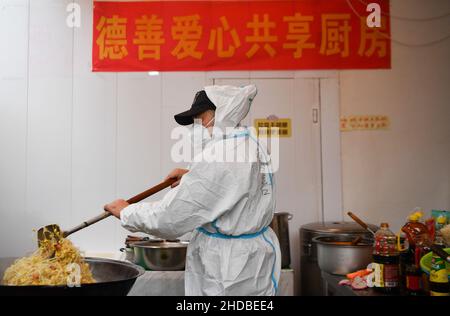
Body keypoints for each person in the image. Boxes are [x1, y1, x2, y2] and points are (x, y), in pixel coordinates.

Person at [105, 85, 281, 296]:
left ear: (223, 111)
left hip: (228, 268)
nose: (199, 125)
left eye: (201, 117)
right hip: (252, 258)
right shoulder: (251, 142)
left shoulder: (219, 155)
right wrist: (192, 175)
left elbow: (170, 218)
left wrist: (126, 211)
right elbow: (235, 184)